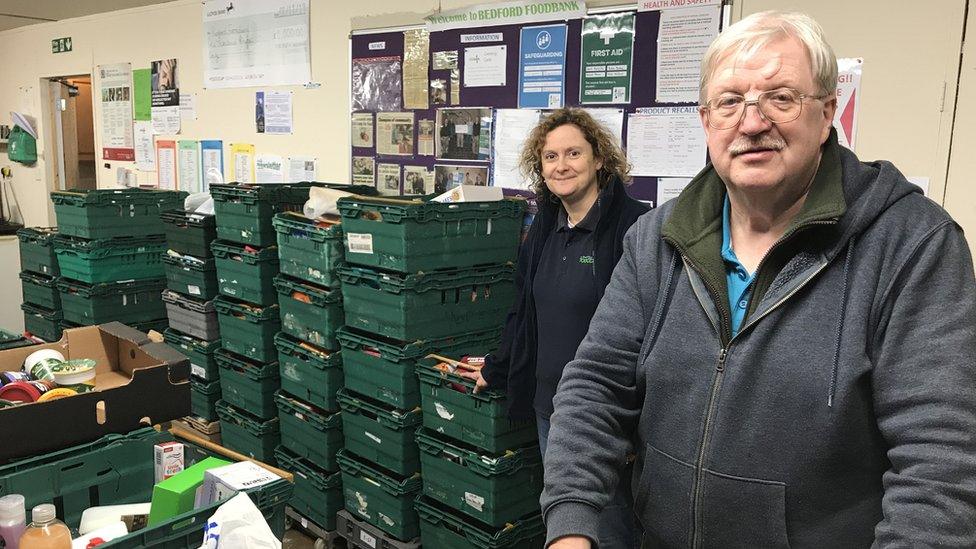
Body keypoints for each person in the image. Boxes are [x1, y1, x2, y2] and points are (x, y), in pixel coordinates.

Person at [541, 11, 976, 549]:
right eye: (730, 101)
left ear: (826, 114)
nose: (751, 122)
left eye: (781, 97)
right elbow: (596, 386)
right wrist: (570, 525)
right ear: (707, 121)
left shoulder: (912, 245)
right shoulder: (657, 239)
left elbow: (941, 466)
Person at [461, 108, 649, 549]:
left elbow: (651, 330)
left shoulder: (635, 227)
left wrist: (640, 421)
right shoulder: (544, 224)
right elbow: (523, 309)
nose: (561, 165)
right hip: (551, 406)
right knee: (570, 523)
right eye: (550, 157)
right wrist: (498, 366)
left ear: (599, 159)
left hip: (610, 414)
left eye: (573, 153)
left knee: (614, 530)